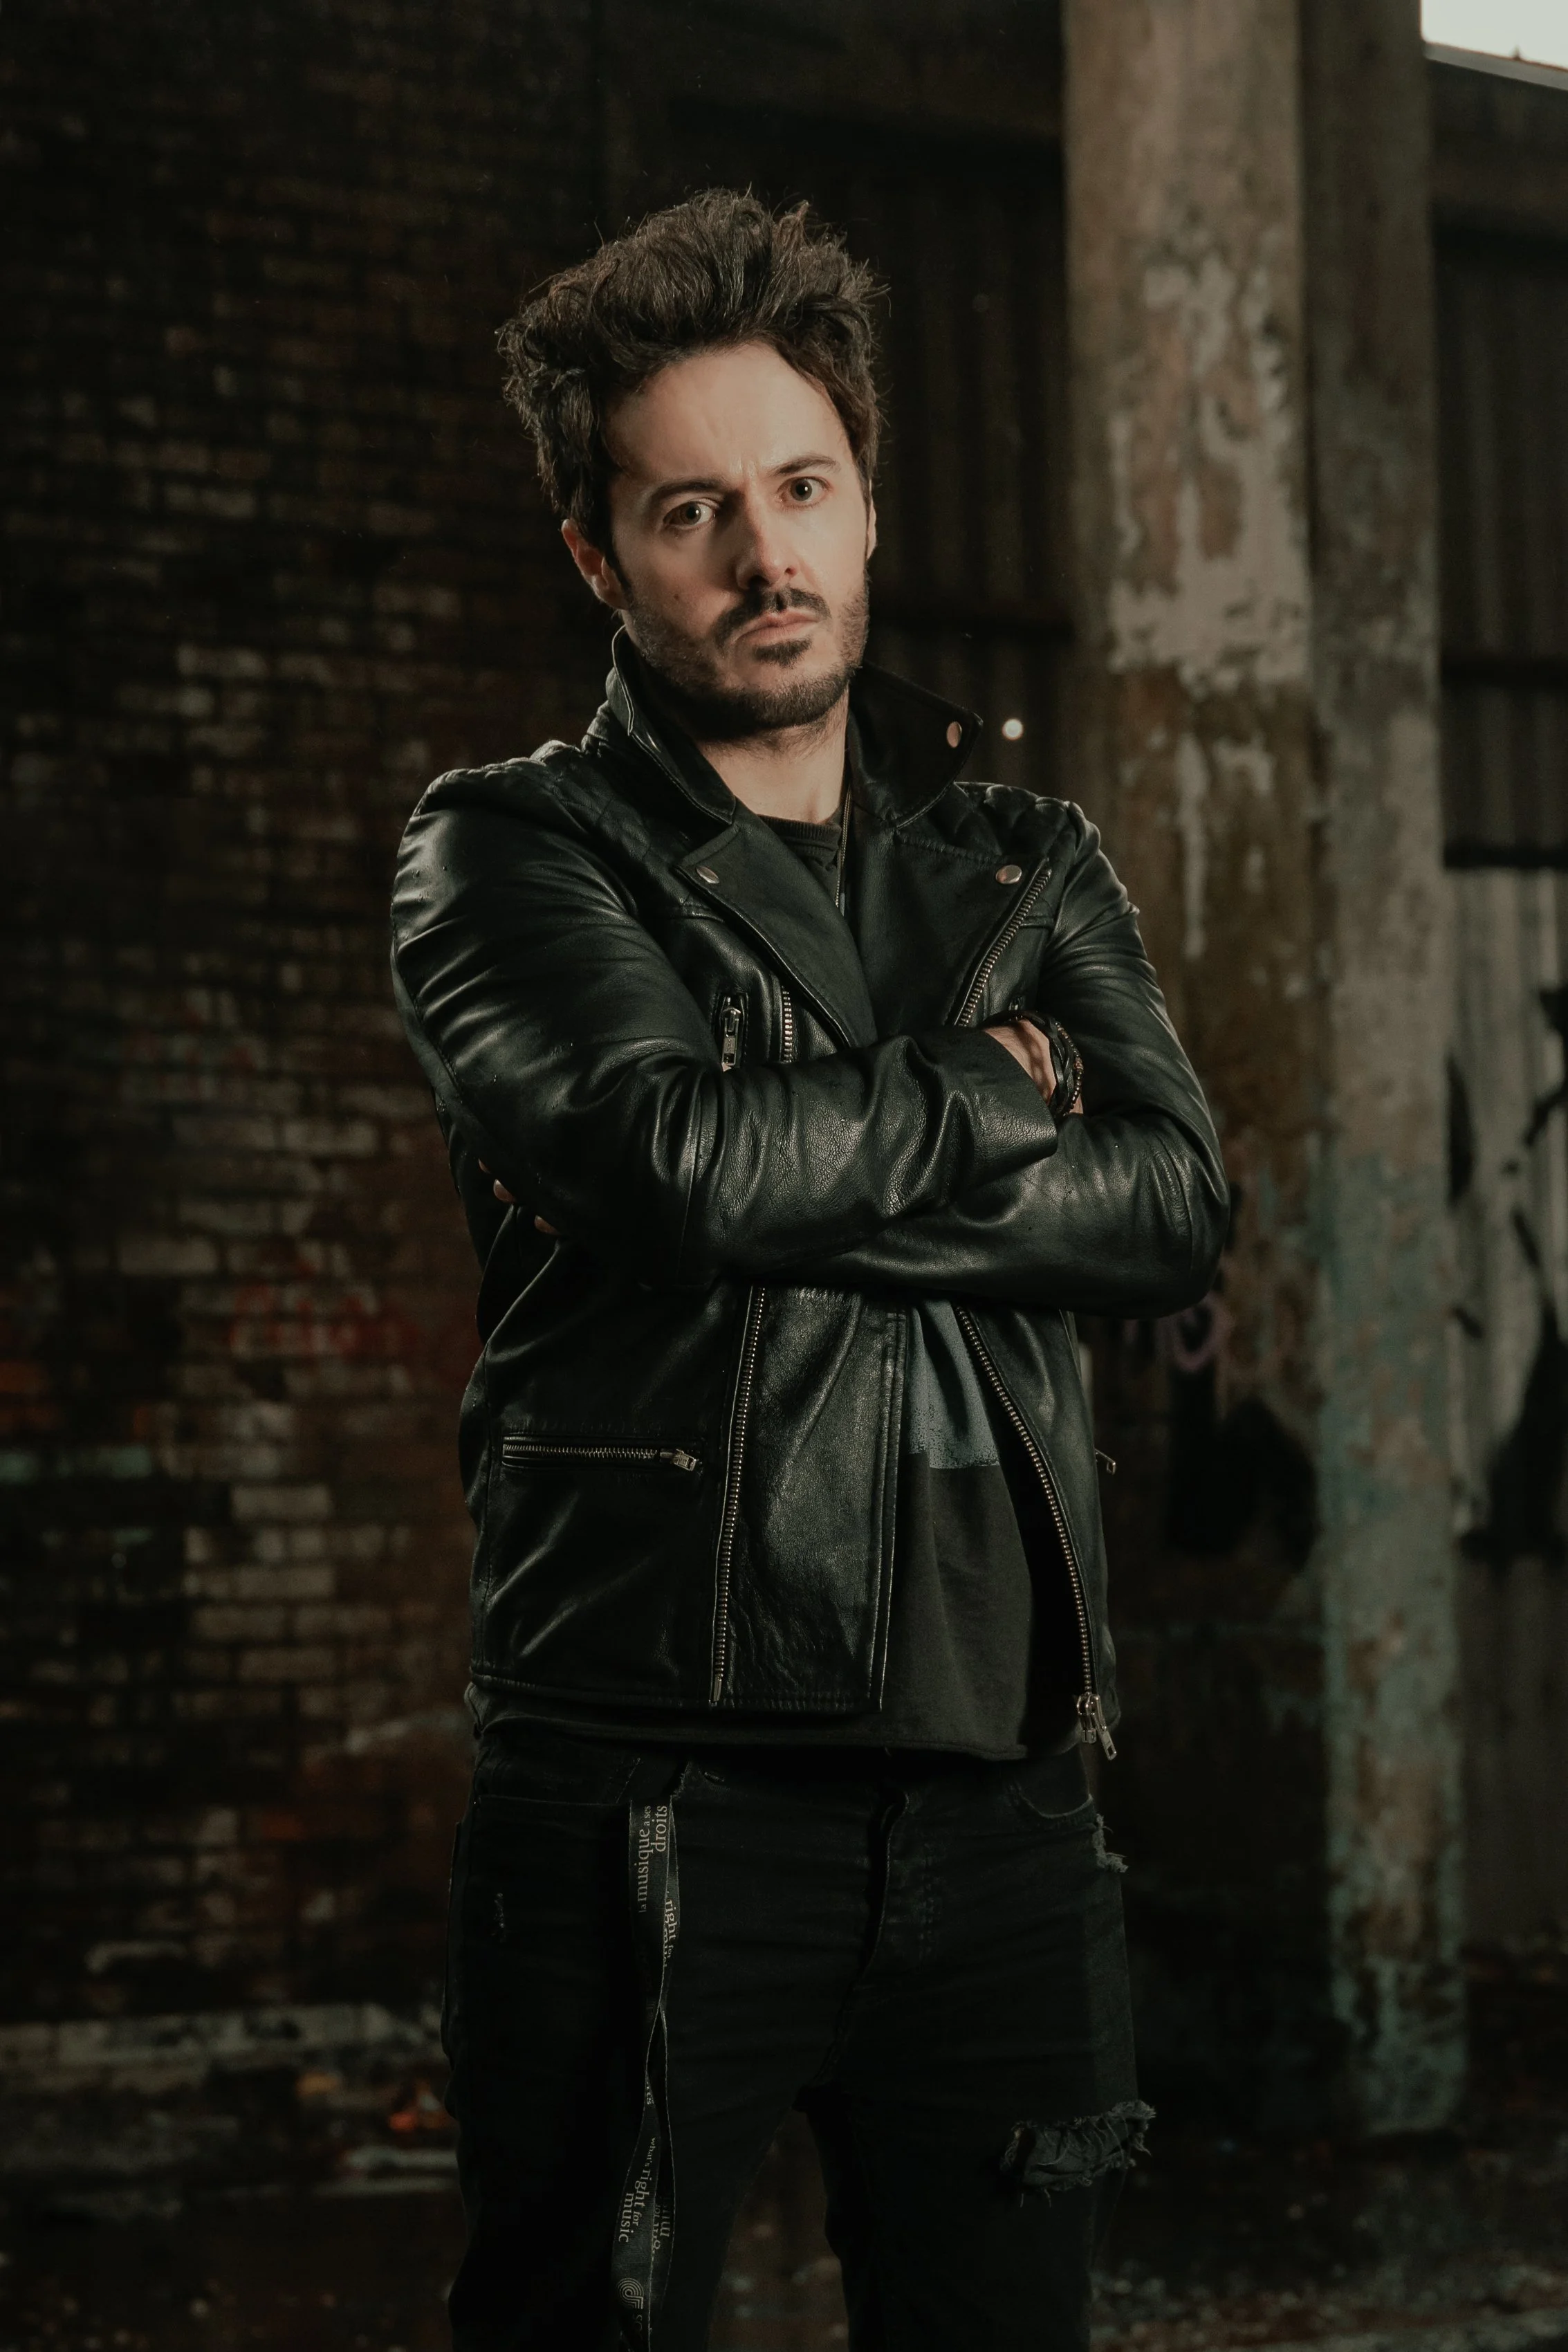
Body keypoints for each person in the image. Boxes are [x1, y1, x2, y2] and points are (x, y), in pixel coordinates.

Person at [391, 188, 1226, 2352]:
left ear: (865, 502)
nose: (765, 557)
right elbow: (665, 1161)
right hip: (657, 1793)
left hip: (1007, 1788)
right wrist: (978, 1089)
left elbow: (1167, 1204)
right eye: (692, 510)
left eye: (802, 489)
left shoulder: (1014, 853)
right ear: (600, 554)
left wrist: (827, 1154)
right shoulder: (513, 849)